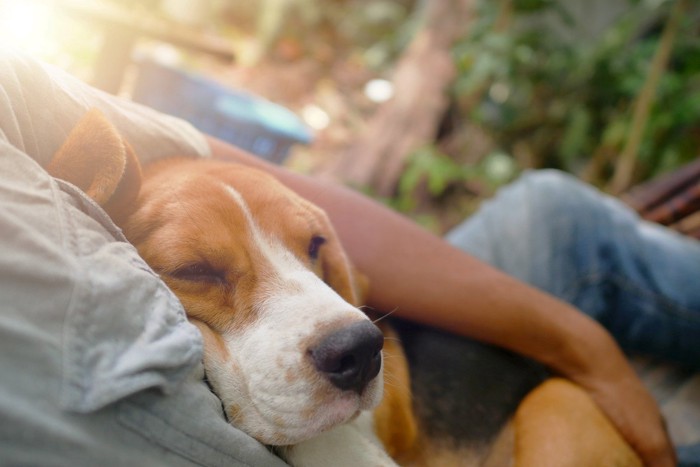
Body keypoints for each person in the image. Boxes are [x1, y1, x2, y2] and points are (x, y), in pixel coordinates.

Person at [0, 48, 696, 466]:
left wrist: (585, 346)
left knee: (555, 212)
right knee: (557, 214)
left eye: (311, 251)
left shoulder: (24, 97)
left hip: (523, 416)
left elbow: (268, 196)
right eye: (201, 270)